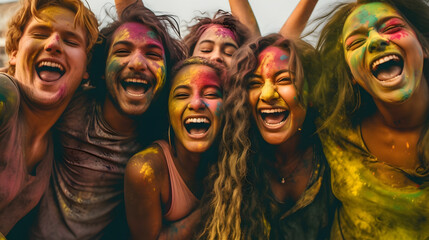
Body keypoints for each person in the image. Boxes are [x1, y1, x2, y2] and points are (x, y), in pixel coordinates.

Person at [29, 4, 186, 239]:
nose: (137, 63)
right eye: (122, 51)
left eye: (153, 55)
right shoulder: (70, 105)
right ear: (101, 68)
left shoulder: (160, 141)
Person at [200, 34, 337, 239]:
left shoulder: (334, 153)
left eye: (284, 80)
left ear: (311, 94)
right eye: (254, 83)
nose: (267, 94)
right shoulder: (233, 161)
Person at [314, 0, 429, 238]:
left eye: (391, 27)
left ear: (424, 46)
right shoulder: (335, 128)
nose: (376, 41)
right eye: (356, 42)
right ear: (351, 74)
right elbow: (273, 58)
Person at [0, 0, 98, 237]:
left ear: (86, 68)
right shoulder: (4, 96)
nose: (53, 44)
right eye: (40, 33)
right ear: (14, 52)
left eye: (71, 41)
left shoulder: (52, 151)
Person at [124, 56, 226, 240]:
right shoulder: (145, 170)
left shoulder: (235, 158)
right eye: (181, 95)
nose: (196, 104)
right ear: (168, 109)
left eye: (210, 94)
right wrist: (215, 202)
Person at [115, 0, 319, 68]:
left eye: (229, 52)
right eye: (205, 49)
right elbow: (135, 18)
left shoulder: (251, 101)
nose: (216, 57)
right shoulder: (173, 92)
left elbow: (271, 46)